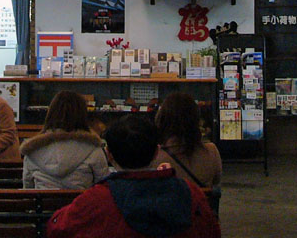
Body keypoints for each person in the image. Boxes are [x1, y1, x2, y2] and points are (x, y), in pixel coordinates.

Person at [46, 114, 219, 238]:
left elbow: (57, 228)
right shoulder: (190, 193)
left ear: (109, 154)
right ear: (156, 152)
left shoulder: (96, 199)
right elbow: (211, 230)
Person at [21, 89, 108, 189]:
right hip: (81, 199)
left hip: (43, 199)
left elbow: (28, 187)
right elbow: (103, 186)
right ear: (83, 116)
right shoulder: (93, 149)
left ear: (50, 114)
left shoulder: (33, 150)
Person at [152, 92, 222, 215]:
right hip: (199, 220)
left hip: (166, 221)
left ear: (162, 119)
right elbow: (216, 180)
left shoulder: (154, 156)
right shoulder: (211, 151)